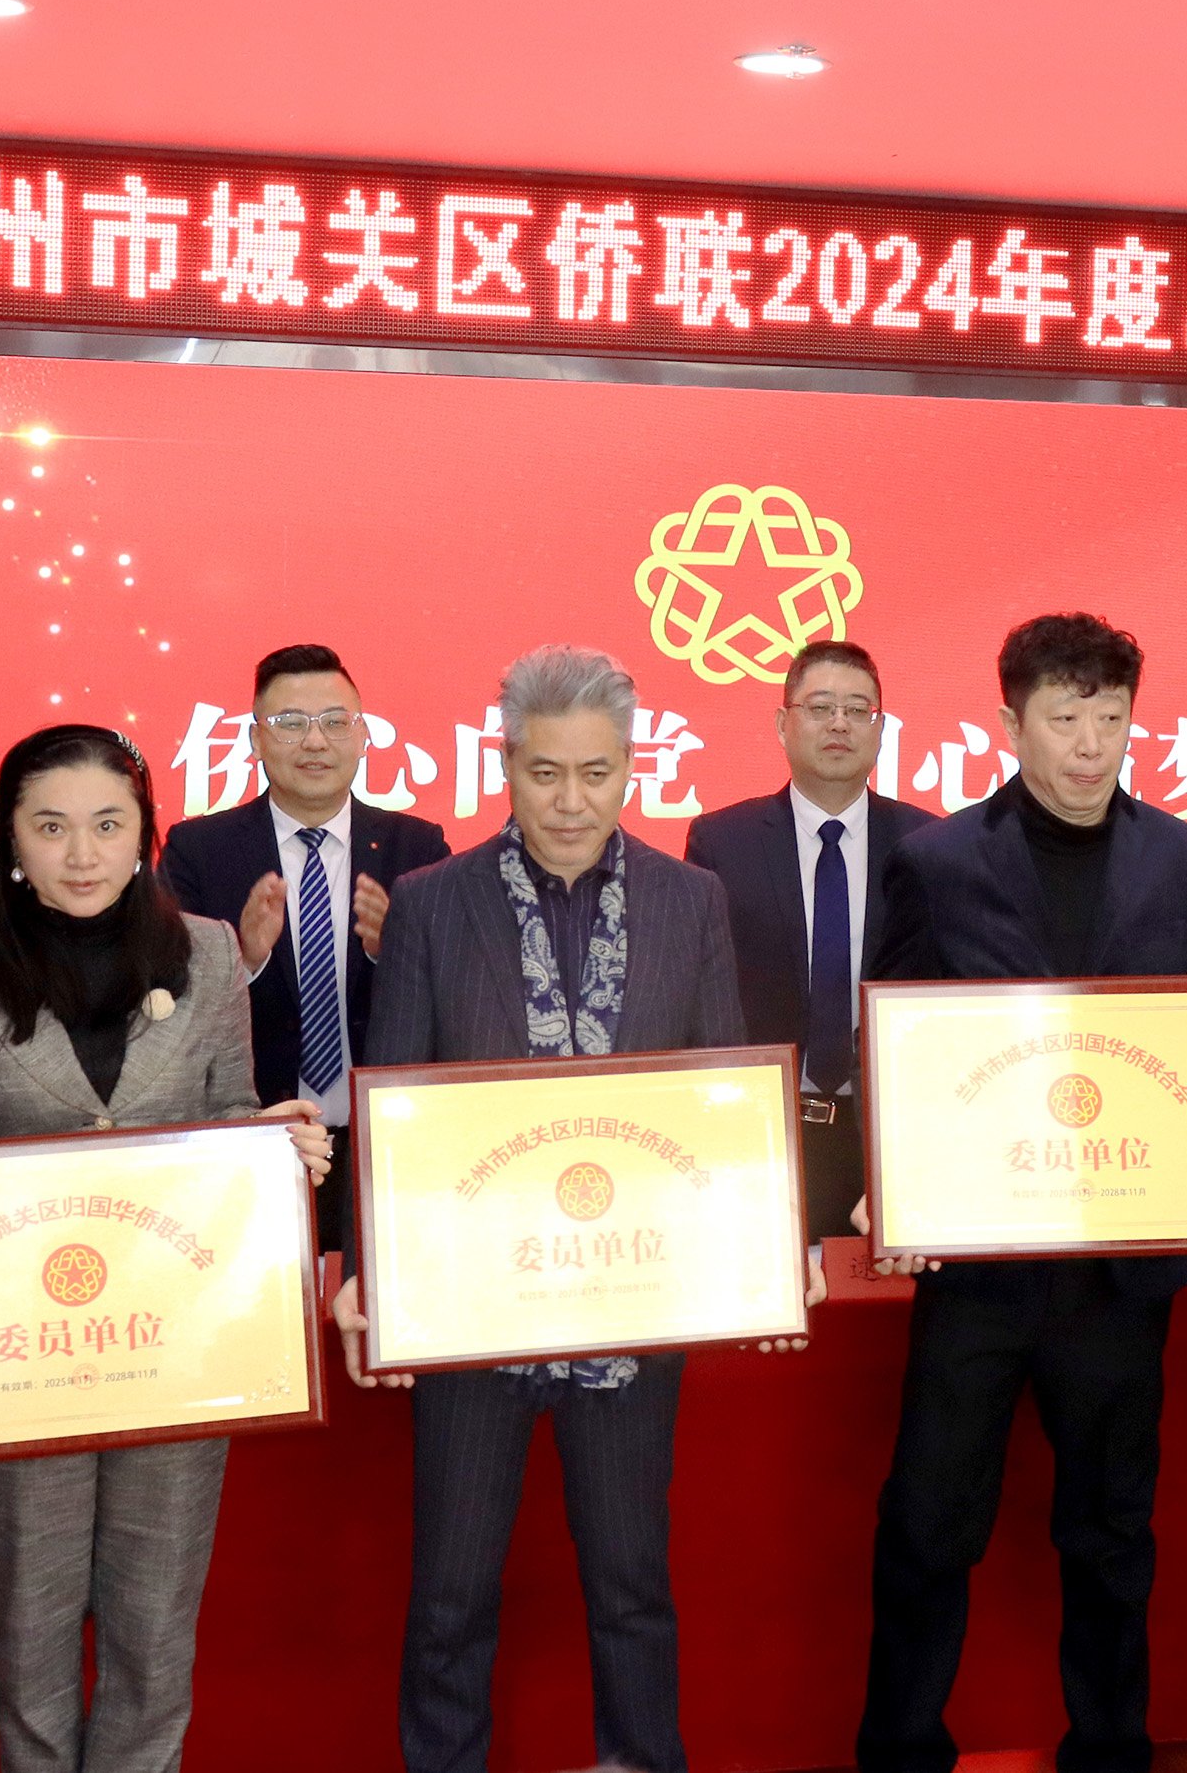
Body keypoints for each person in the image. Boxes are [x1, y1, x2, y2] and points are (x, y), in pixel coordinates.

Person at [331, 645, 775, 1773]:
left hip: (635, 1301)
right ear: (506, 768)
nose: (571, 801)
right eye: (545, 774)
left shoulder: (691, 899)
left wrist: (762, 1252)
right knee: (450, 1595)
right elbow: (393, 1109)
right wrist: (374, 1274)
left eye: (595, 773)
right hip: (469, 1313)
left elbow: (722, 1097)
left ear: (630, 769)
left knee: (632, 1588)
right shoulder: (433, 905)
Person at [0, 724, 331, 1773]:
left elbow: (226, 1121)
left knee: (154, 1633)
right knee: (33, 1633)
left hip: (172, 1353)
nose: (82, 853)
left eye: (107, 824)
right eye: (51, 828)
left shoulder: (210, 953)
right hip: (18, 1360)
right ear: (11, 838)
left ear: (145, 832)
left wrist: (278, 1146)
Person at [854, 612, 1187, 1773]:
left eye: (1110, 719)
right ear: (1009, 722)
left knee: (1112, 1537)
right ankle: (903, 1750)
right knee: (929, 1528)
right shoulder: (937, 862)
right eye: (1064, 718)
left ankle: (1111, 1749)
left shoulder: (1186, 862)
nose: (1089, 744)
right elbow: (893, 1040)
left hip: (1122, 1272)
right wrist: (894, 1184)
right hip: (977, 1268)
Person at [161, 642, 450, 1255]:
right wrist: (243, 960)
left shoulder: (418, 849)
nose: (315, 741)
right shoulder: (200, 851)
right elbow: (165, 1009)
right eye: (290, 723)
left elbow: (455, 1003)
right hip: (259, 1140)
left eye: (335, 721)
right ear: (256, 740)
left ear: (364, 736)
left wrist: (392, 954)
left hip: (384, 1144)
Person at [683, 638, 938, 1241]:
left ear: (880, 729)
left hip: (890, 1133)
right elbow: (702, 997)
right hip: (766, 1130)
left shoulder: (928, 846)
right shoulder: (724, 842)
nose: (840, 724)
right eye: (821, 707)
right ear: (783, 724)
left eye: (859, 710)